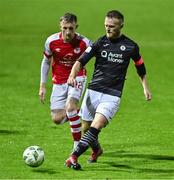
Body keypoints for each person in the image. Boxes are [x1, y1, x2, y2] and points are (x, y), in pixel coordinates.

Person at [65, 10, 152, 170]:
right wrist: (72, 74)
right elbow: (81, 61)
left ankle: (74, 156)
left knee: (96, 126)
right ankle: (97, 150)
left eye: (112, 26)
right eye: (106, 25)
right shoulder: (99, 43)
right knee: (86, 130)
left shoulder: (131, 46)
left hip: (112, 95)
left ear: (121, 25)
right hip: (93, 92)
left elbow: (140, 67)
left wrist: (145, 87)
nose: (108, 29)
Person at [39, 13, 92, 151]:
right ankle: (84, 113)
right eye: (65, 28)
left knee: (70, 107)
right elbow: (46, 61)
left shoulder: (84, 42)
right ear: (60, 26)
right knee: (57, 119)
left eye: (71, 28)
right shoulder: (51, 41)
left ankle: (77, 146)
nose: (68, 32)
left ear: (76, 27)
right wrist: (42, 85)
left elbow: (98, 58)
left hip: (77, 77)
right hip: (59, 81)